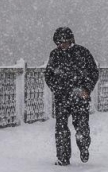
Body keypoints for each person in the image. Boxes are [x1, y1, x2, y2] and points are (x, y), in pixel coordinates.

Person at [44, 27, 99, 166]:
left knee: (81, 126)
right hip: (62, 98)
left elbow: (93, 72)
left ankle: (84, 146)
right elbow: (49, 75)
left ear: (71, 40)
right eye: (58, 42)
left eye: (63, 42)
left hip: (80, 97)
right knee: (61, 128)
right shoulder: (55, 55)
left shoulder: (83, 53)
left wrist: (86, 88)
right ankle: (63, 158)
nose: (61, 45)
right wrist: (57, 88)